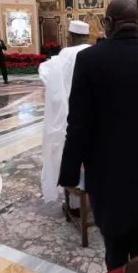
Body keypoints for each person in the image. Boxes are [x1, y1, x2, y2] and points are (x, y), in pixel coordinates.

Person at [58, 0, 138, 270]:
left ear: (108, 23)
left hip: (107, 175)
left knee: (114, 248)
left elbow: (78, 124)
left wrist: (69, 174)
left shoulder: (89, 60)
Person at [39, 21, 91, 214]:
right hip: (94, 120)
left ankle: (75, 205)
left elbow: (45, 75)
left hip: (70, 117)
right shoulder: (96, 53)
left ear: (70, 37)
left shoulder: (65, 56)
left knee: (71, 157)